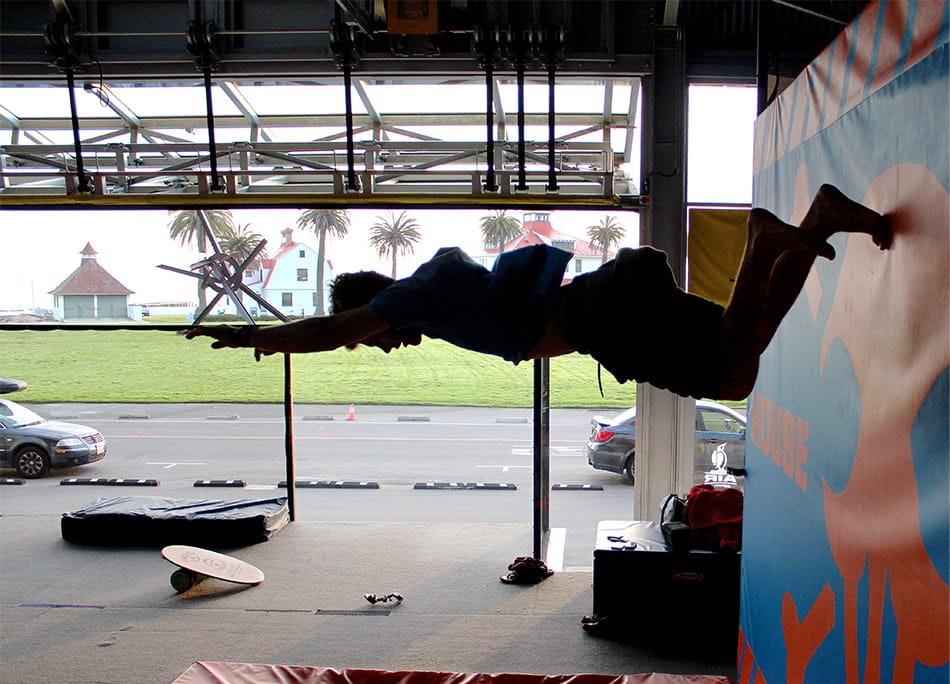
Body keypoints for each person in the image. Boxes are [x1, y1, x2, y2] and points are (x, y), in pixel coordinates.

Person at [185, 185, 891, 400]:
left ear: (375, 311)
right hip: (612, 297)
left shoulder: (414, 296)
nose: (385, 344)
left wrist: (253, 336)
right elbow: (345, 331)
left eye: (375, 335)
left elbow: (331, 333)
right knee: (754, 331)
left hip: (604, 315)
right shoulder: (438, 286)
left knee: (734, 378)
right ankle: (818, 221)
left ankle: (761, 242)